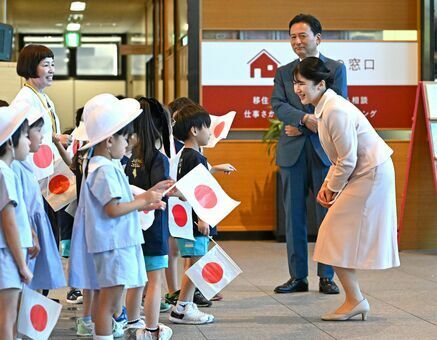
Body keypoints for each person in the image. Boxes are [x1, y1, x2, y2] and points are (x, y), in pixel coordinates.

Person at [293, 56, 400, 320]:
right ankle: (355, 299)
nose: (297, 88)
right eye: (295, 83)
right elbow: (342, 157)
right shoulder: (326, 107)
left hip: (370, 174)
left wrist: (331, 187)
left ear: (320, 84)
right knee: (333, 235)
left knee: (331, 233)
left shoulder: (334, 110)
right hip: (364, 173)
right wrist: (329, 185)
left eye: (302, 83)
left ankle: (355, 300)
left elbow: (348, 158)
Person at [74, 94, 173, 340]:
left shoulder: (104, 165)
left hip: (114, 243)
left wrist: (147, 196)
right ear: (109, 141)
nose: (128, 143)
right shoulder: (103, 169)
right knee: (109, 301)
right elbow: (113, 209)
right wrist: (144, 200)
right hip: (112, 245)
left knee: (112, 300)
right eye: (124, 137)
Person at [271, 14, 347, 295]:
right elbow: (277, 105)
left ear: (318, 38)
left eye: (302, 35)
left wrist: (301, 126)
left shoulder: (335, 69)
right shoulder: (283, 71)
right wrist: (305, 121)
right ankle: (297, 277)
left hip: (324, 152)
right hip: (292, 154)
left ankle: (327, 276)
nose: (297, 41)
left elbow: (337, 106)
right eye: (292, 36)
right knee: (294, 217)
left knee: (328, 214)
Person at [168, 104, 235, 325]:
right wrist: (203, 217)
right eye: (207, 127)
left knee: (192, 261)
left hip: (188, 220)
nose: (210, 132)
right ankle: (183, 307)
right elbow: (195, 189)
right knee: (196, 263)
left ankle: (186, 303)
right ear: (194, 131)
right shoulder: (194, 158)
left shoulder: (186, 156)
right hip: (197, 221)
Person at [125, 97, 178, 339]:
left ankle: (132, 322)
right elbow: (161, 191)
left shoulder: (125, 157)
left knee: (135, 279)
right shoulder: (158, 158)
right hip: (154, 227)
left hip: (129, 226)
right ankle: (152, 329)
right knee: (154, 281)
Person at [11, 105, 66, 292]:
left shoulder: (23, 164)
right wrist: (32, 232)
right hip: (25, 231)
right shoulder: (15, 167)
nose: (42, 137)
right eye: (37, 131)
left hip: (32, 228)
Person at [0, 104, 34, 339]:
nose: (30, 142)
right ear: (10, 142)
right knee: (7, 317)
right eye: (25, 136)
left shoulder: (6, 171)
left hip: (8, 254)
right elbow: (9, 221)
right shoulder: (5, 173)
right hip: (7, 256)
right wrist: (22, 265)